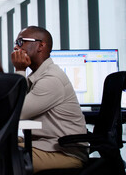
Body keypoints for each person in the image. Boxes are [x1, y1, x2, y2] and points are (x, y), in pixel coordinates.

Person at [11, 26, 88, 173]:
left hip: (65, 153)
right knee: (0, 146)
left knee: (2, 158)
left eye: (21, 42)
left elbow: (17, 112)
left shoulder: (51, 79)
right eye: (16, 42)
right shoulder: (39, 76)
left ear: (41, 45)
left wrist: (19, 69)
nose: (16, 46)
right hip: (46, 144)